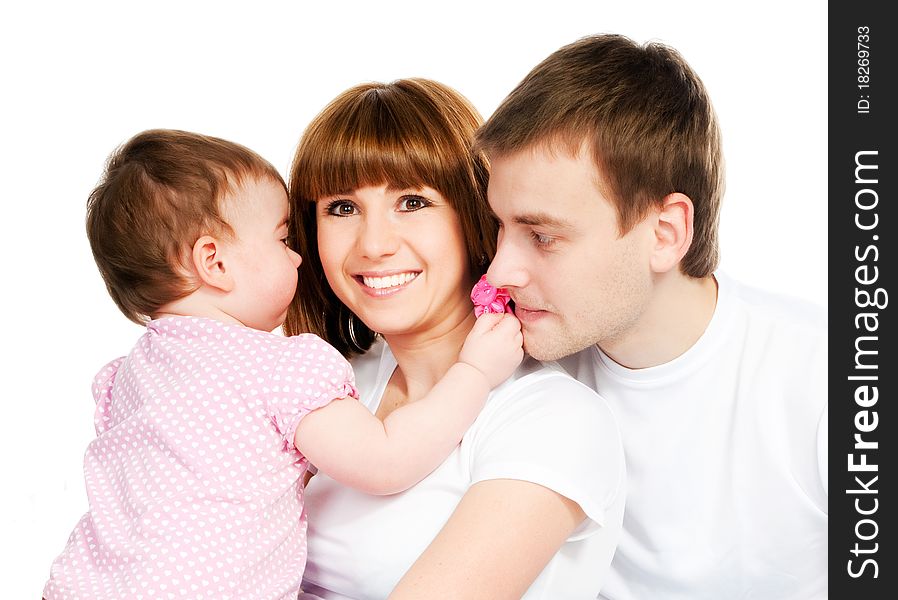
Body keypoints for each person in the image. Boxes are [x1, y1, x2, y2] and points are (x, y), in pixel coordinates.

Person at [42, 129, 525, 600]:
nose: (297, 258)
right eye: (282, 239)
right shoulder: (281, 369)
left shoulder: (126, 378)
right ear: (214, 262)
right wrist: (475, 372)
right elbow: (386, 460)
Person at [476, 34, 827, 599]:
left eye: (542, 236)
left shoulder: (828, 378)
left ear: (665, 234)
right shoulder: (507, 366)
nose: (498, 273)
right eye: (501, 227)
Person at [286, 78, 625, 599]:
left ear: (472, 214)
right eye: (343, 208)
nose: (374, 244)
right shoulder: (328, 381)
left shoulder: (552, 417)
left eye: (412, 202)